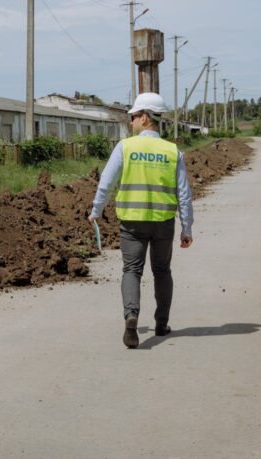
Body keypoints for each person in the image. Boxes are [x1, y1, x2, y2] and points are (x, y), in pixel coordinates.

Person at [87, 92, 194, 349]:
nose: (132, 121)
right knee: (162, 271)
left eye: (134, 116)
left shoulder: (125, 147)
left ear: (145, 118)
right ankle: (161, 323)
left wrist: (96, 210)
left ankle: (131, 317)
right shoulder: (172, 151)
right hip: (163, 222)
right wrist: (187, 227)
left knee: (132, 270)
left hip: (132, 223)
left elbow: (106, 182)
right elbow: (184, 193)